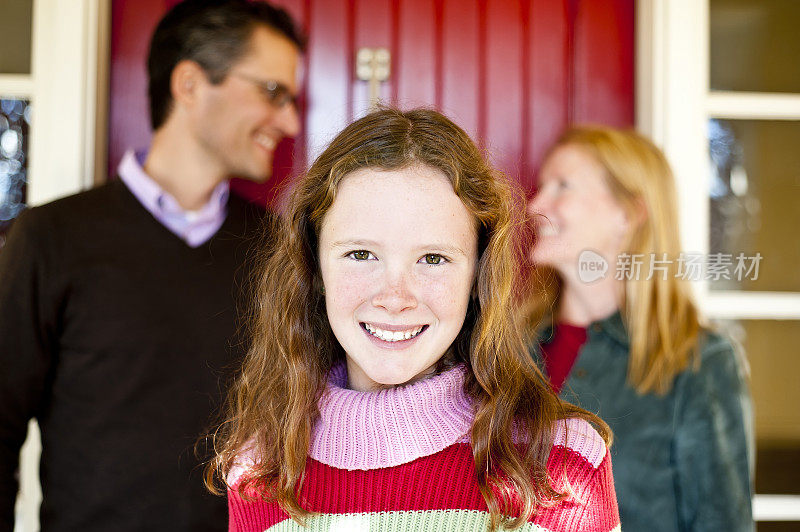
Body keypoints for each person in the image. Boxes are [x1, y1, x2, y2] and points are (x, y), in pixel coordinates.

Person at [205, 108, 621, 532]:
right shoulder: (259, 469)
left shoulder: (564, 463)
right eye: (361, 254)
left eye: (433, 259)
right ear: (315, 267)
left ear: (478, 276)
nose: (395, 298)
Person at [0, 1, 304, 530]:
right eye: (272, 93)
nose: (290, 120)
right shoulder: (51, 239)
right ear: (189, 84)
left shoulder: (278, 249)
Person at [523, 126, 753, 531]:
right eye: (543, 186)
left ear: (628, 214)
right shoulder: (508, 346)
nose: (535, 205)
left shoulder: (699, 362)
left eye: (563, 186)